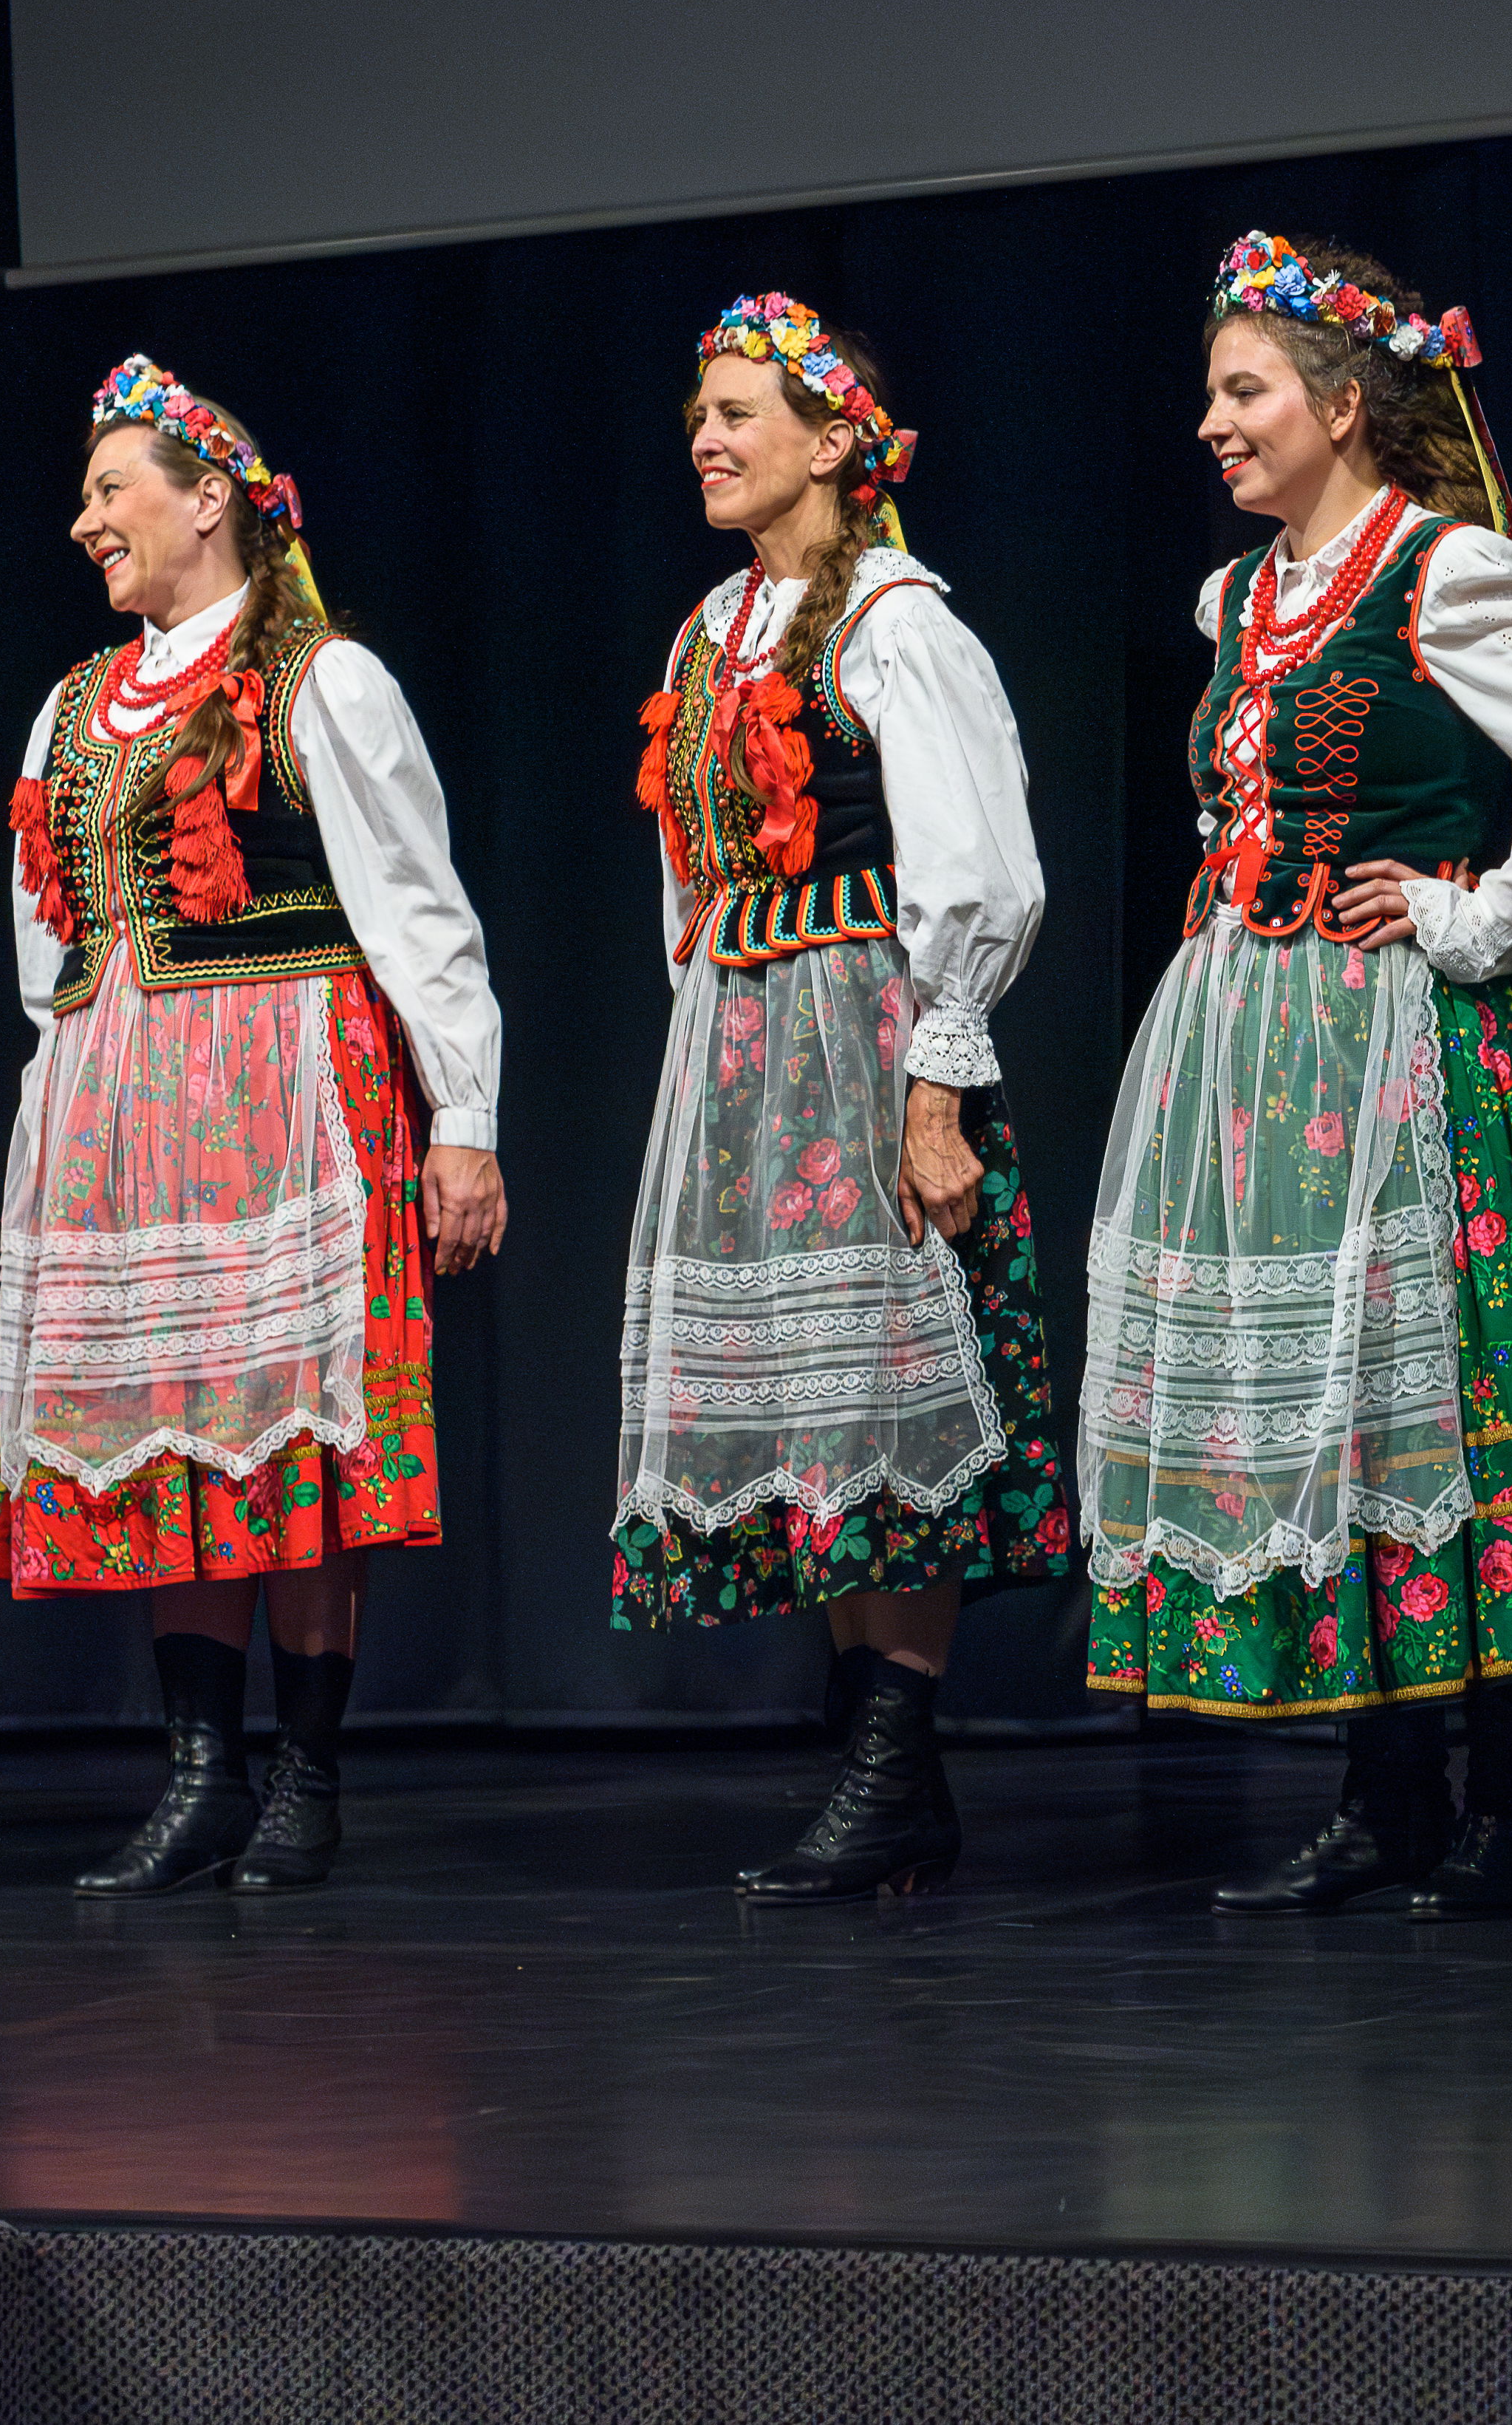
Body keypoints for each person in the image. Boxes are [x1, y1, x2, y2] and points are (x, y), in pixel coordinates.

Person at [1083, 234, 1512, 1917]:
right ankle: (1381, 1787)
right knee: (1327, 1407)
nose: (1213, 423)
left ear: (1342, 405)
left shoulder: (1445, 571)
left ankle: (1506, 1800)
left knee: (1445, 1390)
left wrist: (1479, 913)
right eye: (1210, 394)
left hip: (1409, 1035)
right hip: (1256, 1040)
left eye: (1243, 390)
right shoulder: (1235, 597)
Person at [0, 354, 507, 1894]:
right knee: (173, 1435)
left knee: (291, 1441)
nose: (85, 521)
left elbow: (418, 910)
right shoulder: (73, 705)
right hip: (125, 1110)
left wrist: (464, 1115)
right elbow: (48, 935)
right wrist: (65, 1097)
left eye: (110, 489)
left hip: (289, 1092)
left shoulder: (318, 679)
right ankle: (200, 1774)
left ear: (207, 498)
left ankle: (306, 1776)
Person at [611, 292, 1064, 1900]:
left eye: (738, 412)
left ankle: (894, 1762)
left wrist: (933, 1094)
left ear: (831, 443)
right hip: (745, 1053)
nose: (707, 438)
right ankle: (883, 1766)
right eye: (699, 415)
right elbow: (686, 871)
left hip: (867, 1038)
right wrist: (711, 1059)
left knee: (880, 1402)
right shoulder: (708, 630)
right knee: (810, 1408)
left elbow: (984, 874)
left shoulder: (896, 621)